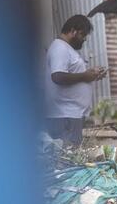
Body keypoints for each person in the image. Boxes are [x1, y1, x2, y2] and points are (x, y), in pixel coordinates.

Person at [45, 15, 108, 145]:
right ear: (73, 31)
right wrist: (85, 76)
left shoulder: (66, 49)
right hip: (63, 116)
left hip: (70, 115)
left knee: (70, 156)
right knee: (65, 159)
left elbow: (72, 75)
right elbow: (57, 76)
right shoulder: (60, 48)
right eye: (82, 34)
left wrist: (92, 75)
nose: (84, 39)